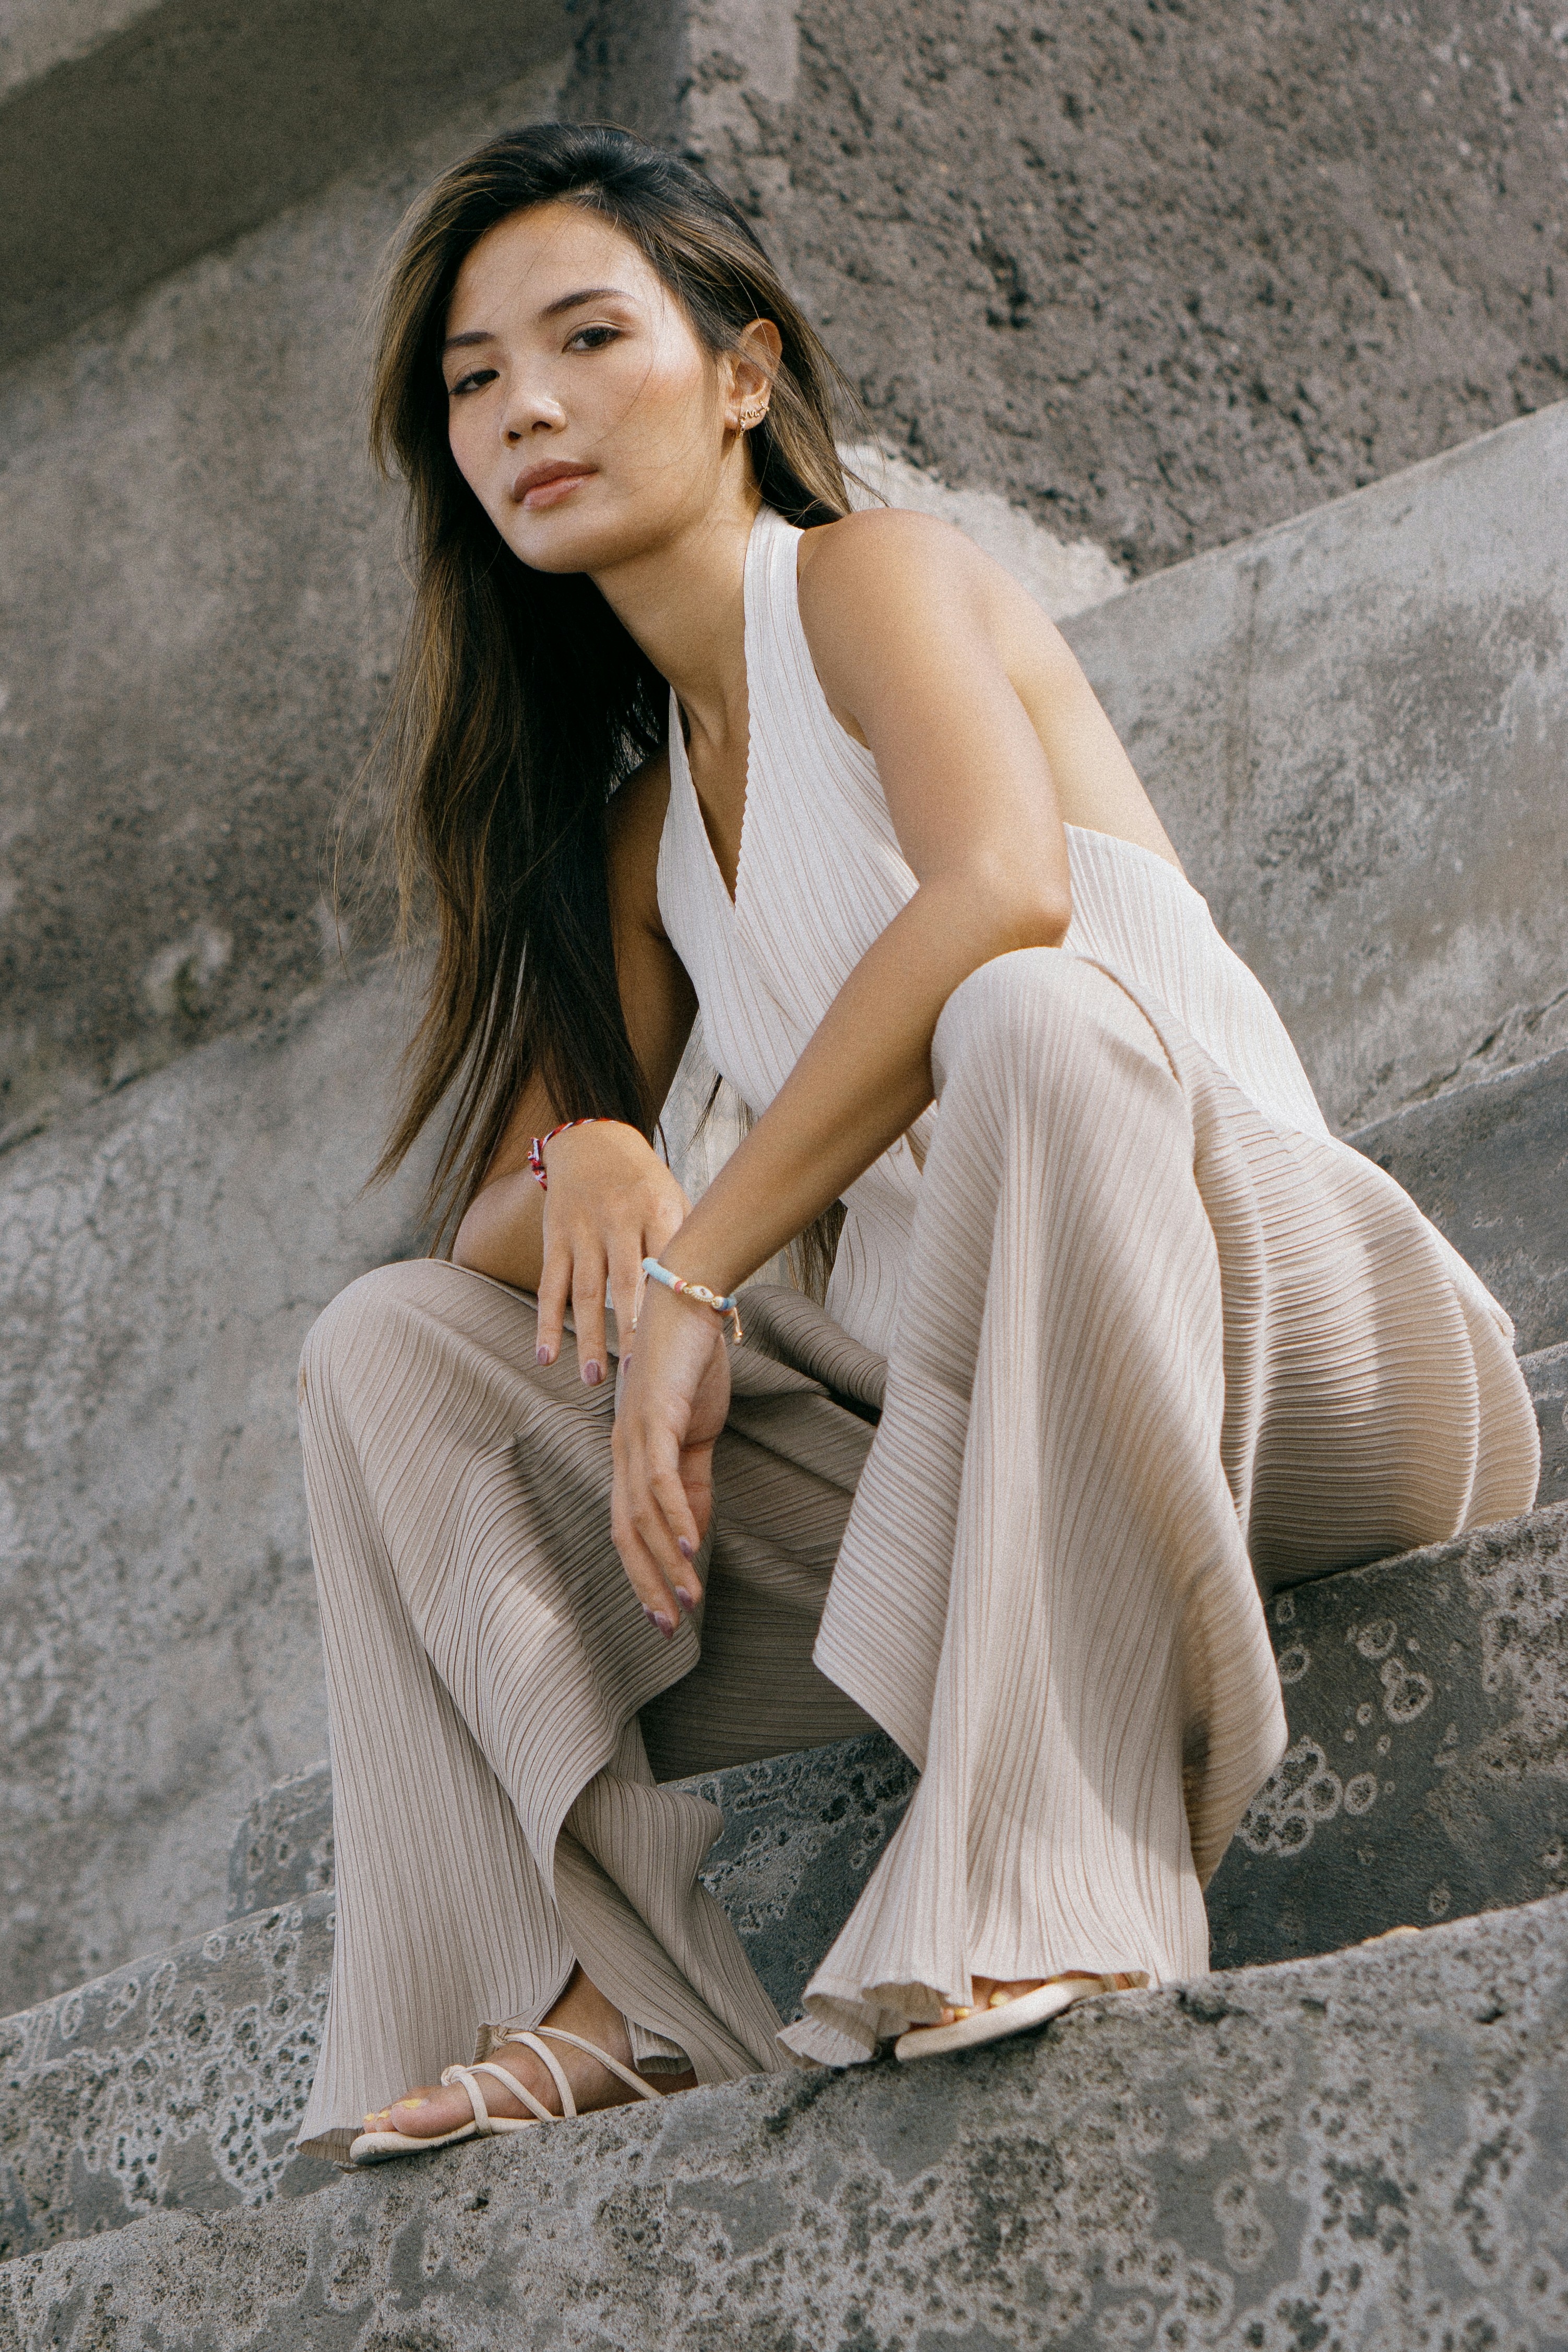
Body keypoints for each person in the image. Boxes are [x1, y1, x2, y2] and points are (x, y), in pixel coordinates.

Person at [293, 123, 1539, 2166]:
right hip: (990, 1460)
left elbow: (996, 891)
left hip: (1309, 1364)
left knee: (1024, 1016)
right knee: (382, 1351)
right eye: (471, 377)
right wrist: (595, 1151)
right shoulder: (625, 833)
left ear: (744, 374)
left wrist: (696, 1261)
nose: (522, 403)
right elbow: (509, 1254)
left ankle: (1056, 1859)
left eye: (586, 336)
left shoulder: (871, 585)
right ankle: (598, 1996)